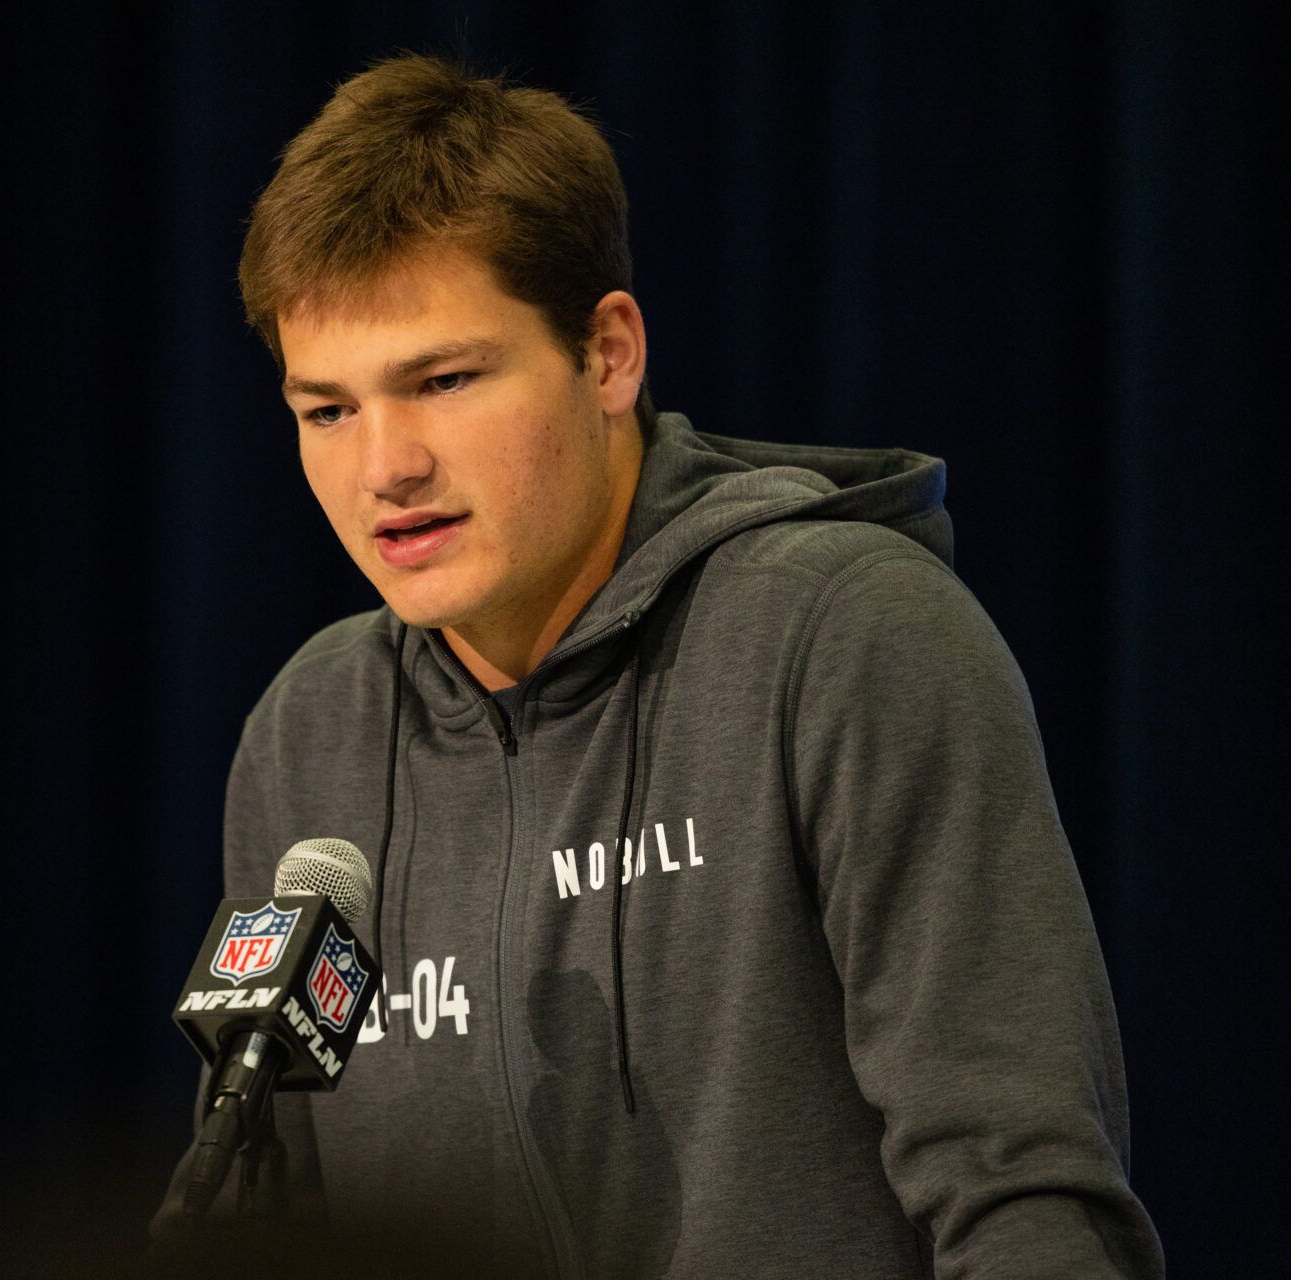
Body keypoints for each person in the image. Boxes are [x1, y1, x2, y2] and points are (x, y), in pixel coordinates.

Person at [156, 54, 1163, 1278]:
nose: (386, 467)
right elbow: (277, 1225)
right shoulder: (309, 730)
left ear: (609, 354)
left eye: (444, 380)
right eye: (327, 410)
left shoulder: (846, 640)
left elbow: (1031, 1209)